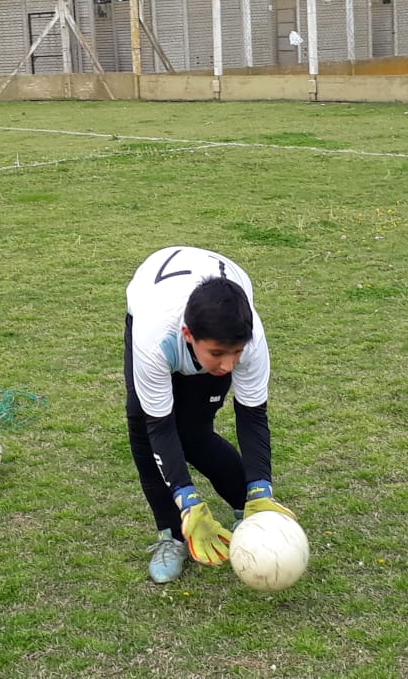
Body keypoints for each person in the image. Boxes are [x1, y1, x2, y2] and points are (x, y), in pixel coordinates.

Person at [124, 246, 295, 583]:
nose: (228, 365)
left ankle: (250, 509)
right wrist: (188, 502)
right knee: (142, 427)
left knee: (193, 433)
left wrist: (261, 490)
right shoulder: (154, 337)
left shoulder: (250, 339)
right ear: (189, 335)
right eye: (217, 353)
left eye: (236, 352)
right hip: (153, 293)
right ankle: (172, 535)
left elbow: (252, 416)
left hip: (211, 301)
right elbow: (158, 426)